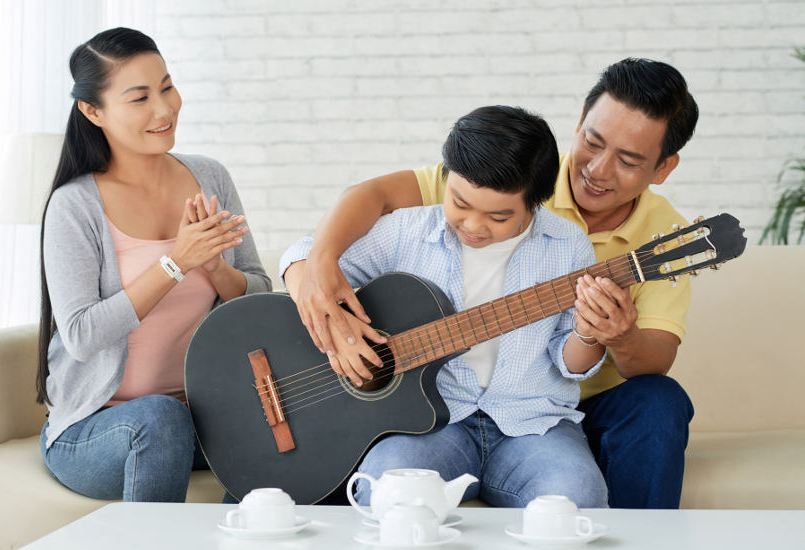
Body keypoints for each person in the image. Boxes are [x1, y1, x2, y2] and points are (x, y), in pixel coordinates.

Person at [290, 58, 698, 509]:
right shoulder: (485, 170)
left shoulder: (577, 241)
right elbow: (365, 200)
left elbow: (620, 356)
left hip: (539, 413)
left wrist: (604, 333)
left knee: (629, 436)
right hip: (432, 414)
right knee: (387, 487)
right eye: (593, 142)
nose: (599, 170)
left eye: (628, 159)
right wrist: (317, 279)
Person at [281, 105, 608, 508]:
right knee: (385, 492)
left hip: (533, 424)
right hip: (432, 425)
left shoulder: (570, 245)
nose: (473, 225)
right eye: (460, 202)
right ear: (445, 178)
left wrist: (590, 333)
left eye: (498, 216)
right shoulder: (406, 231)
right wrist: (336, 329)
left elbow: (568, 361)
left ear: (536, 204)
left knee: (581, 495)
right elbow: (301, 255)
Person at [36, 27, 271, 502]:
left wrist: (216, 270)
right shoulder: (74, 205)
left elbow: (261, 296)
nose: (164, 109)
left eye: (166, 86)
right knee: (161, 418)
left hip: (202, 417)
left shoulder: (209, 176)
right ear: (92, 111)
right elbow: (81, 335)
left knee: (298, 426)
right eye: (140, 97)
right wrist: (175, 262)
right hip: (100, 426)